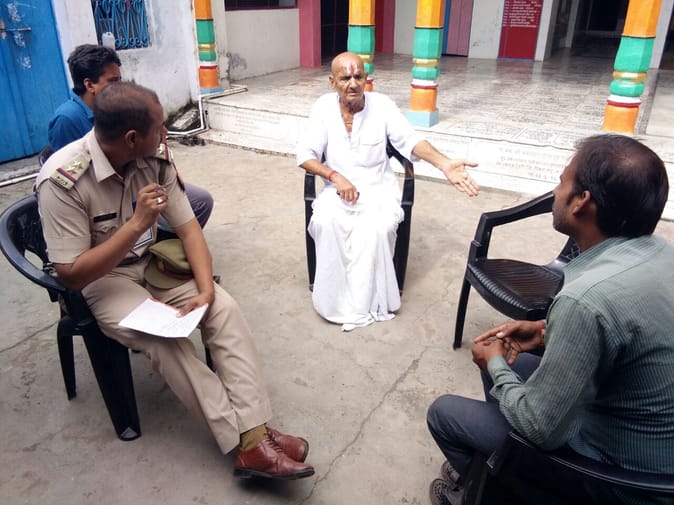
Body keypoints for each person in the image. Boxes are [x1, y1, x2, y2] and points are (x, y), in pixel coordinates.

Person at [35, 81, 314, 481]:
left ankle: (255, 433)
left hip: (151, 264)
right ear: (132, 138)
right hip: (102, 280)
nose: (166, 133)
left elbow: (188, 229)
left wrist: (206, 289)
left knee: (223, 308)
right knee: (165, 339)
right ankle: (248, 441)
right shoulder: (63, 180)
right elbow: (72, 273)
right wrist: (136, 225)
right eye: (159, 127)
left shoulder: (154, 158)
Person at [427, 134, 674, 505]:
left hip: (622, 477)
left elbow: (540, 428)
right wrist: (545, 333)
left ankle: (487, 491)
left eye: (561, 182)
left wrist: (494, 363)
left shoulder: (586, 298)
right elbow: (626, 337)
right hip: (652, 450)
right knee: (514, 361)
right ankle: (493, 466)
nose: (555, 192)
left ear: (581, 202)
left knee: (445, 413)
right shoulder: (660, 253)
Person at [296, 52, 480, 331]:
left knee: (377, 229)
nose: (353, 83)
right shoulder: (322, 108)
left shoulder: (382, 106)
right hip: (336, 190)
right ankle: (334, 300)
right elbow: (305, 155)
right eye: (345, 78)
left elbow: (410, 141)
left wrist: (444, 163)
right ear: (332, 82)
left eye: (358, 76)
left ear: (366, 78)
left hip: (377, 190)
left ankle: (366, 302)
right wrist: (334, 176)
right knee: (325, 222)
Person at [48, 43, 213, 231]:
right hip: (106, 194)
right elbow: (74, 173)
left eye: (120, 80)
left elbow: (149, 149)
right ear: (89, 84)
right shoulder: (67, 120)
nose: (119, 87)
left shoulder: (124, 107)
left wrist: (168, 166)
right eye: (113, 81)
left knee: (200, 201)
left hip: (137, 177)